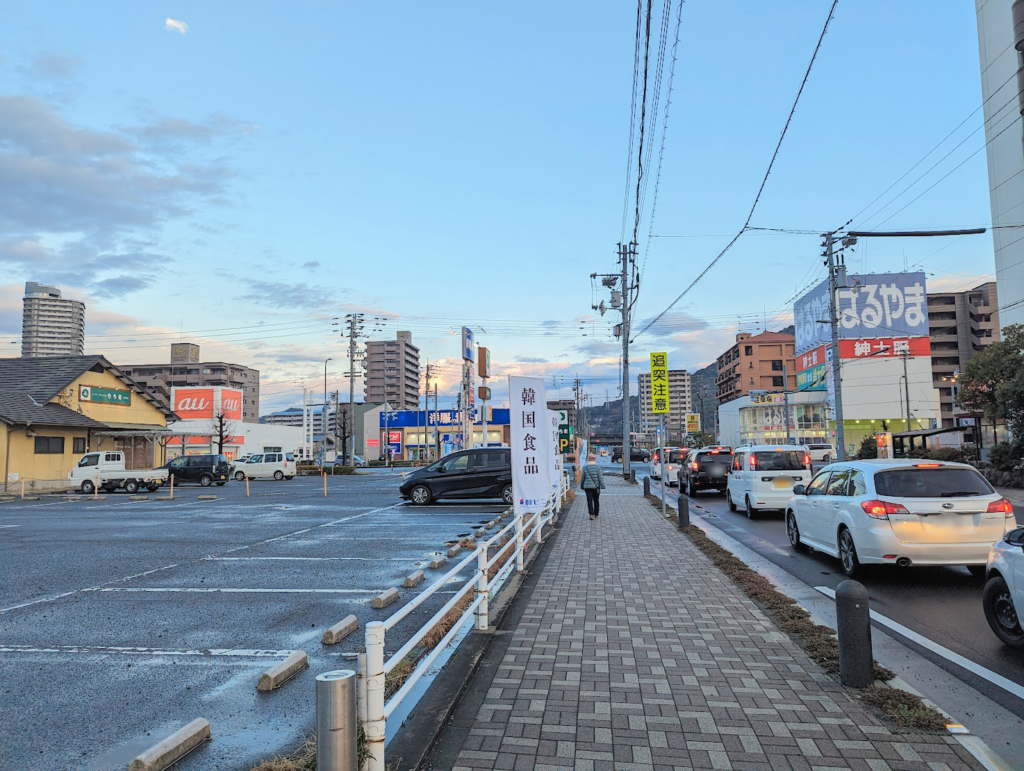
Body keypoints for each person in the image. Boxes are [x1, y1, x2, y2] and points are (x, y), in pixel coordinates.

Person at [580, 453, 606, 520]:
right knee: (596, 500)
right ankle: (596, 513)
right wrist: (602, 486)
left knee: (589, 501)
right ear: (594, 459)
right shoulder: (598, 468)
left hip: (587, 487)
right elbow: (601, 478)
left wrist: (582, 486)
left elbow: (582, 478)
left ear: (588, 459)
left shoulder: (585, 467)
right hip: (596, 487)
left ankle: (591, 514)